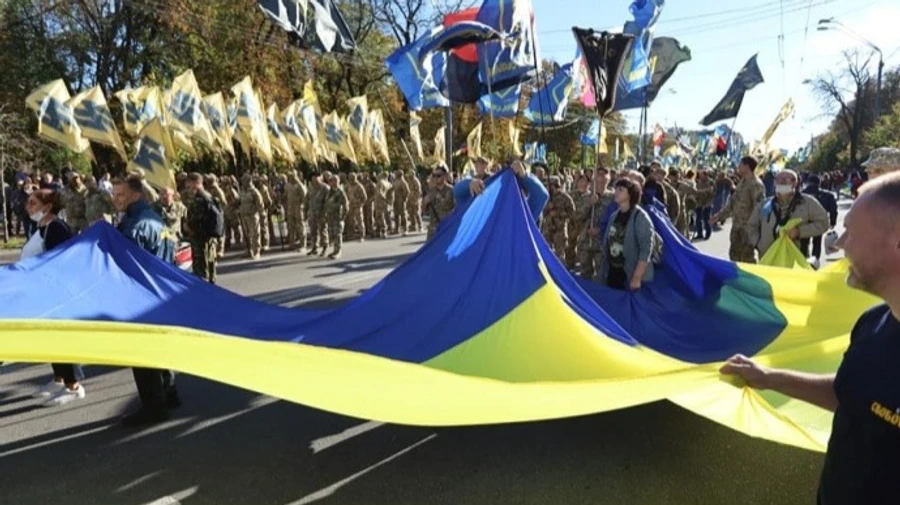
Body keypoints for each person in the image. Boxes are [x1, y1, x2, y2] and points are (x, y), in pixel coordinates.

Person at [721, 171, 900, 505]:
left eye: (852, 232)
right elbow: (850, 392)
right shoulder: (873, 321)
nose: (839, 244)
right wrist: (768, 377)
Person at [112, 175, 180, 426]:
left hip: (142, 296)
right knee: (158, 346)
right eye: (114, 194)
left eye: (120, 194)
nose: (115, 199)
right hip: (161, 292)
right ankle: (169, 393)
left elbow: (125, 266)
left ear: (135, 195)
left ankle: (153, 407)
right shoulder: (151, 217)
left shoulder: (137, 225)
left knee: (141, 352)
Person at [23, 189, 85, 407]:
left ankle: (73, 385)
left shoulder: (56, 228)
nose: (27, 207)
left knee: (62, 337)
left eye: (32, 203)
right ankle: (59, 378)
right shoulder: (42, 227)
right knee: (49, 338)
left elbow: (62, 262)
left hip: (56, 294)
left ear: (47, 207)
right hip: (42, 292)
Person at [747, 169, 830, 260]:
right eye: (779, 179)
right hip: (768, 259)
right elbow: (752, 225)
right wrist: (758, 244)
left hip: (796, 261)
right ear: (774, 183)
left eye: (787, 179)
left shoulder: (808, 202)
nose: (782, 181)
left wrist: (800, 231)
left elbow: (823, 223)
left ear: (795, 183)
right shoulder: (765, 204)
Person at [599, 178, 656, 291]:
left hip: (630, 274)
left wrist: (637, 277)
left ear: (630, 194)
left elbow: (645, 250)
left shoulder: (640, 217)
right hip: (613, 272)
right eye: (616, 189)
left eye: (620, 190)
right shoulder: (614, 216)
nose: (616, 192)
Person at [453, 158, 549, 222]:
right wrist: (469, 183)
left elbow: (542, 195)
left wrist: (525, 176)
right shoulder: (489, 208)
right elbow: (457, 192)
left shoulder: (525, 213)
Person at [711, 156, 766, 263]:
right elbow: (732, 204)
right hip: (737, 229)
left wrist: (755, 230)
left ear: (747, 166)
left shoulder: (756, 184)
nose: (738, 167)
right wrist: (718, 216)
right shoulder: (742, 183)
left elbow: (759, 209)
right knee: (734, 258)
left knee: (747, 260)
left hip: (747, 232)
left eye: (740, 164)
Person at [183, 173, 219, 284]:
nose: (188, 190)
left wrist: (187, 226)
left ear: (196, 183)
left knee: (201, 273)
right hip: (210, 240)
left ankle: (206, 297)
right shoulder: (209, 196)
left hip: (200, 241)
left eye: (189, 187)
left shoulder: (199, 200)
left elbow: (195, 221)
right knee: (211, 269)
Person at [802, 174, 839, 268]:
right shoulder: (827, 195)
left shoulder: (801, 195)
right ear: (819, 183)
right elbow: (833, 209)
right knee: (817, 242)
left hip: (803, 222)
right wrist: (833, 221)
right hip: (819, 222)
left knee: (804, 242)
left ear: (808, 182)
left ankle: (803, 260)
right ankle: (815, 262)